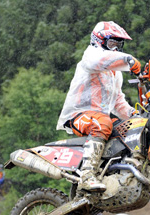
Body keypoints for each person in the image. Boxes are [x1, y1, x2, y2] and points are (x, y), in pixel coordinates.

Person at [56, 21, 142, 192]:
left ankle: (116, 174)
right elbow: (101, 60)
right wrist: (128, 59)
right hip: (78, 115)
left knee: (129, 128)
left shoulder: (115, 73)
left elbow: (118, 102)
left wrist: (135, 114)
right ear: (99, 41)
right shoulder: (91, 56)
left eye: (119, 45)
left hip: (100, 116)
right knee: (103, 122)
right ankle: (86, 176)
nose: (116, 49)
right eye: (112, 43)